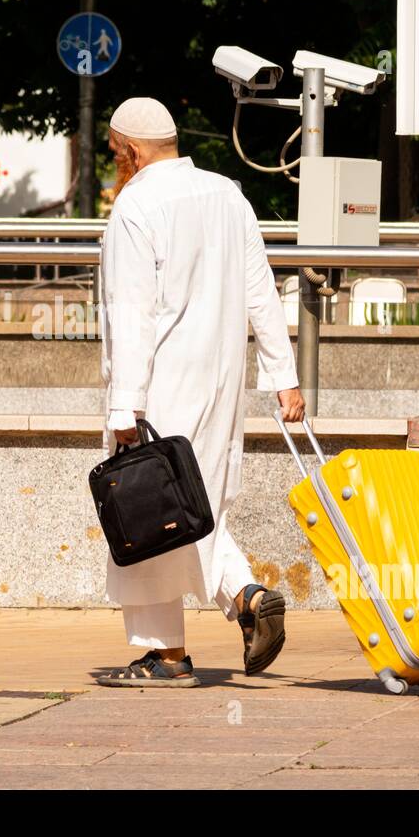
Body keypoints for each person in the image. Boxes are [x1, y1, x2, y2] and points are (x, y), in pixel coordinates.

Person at [97, 96, 303, 689]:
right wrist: (282, 376)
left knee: (149, 511)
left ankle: (168, 655)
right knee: (190, 506)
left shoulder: (135, 206)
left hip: (159, 382)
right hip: (221, 379)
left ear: (131, 151)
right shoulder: (226, 193)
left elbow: (131, 316)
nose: (116, 164)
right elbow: (260, 288)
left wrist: (124, 407)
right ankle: (246, 596)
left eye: (115, 154)